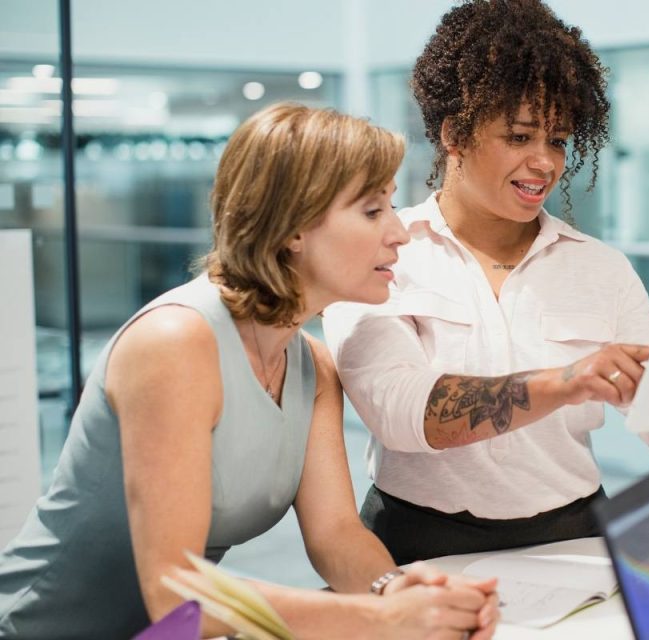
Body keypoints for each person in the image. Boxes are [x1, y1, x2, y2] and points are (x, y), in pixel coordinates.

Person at [323, 0, 649, 564]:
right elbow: (403, 413)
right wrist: (568, 381)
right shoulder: (386, 252)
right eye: (521, 136)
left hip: (574, 539)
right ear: (455, 134)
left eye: (557, 140)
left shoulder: (599, 268)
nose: (545, 162)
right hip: (415, 542)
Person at [0, 103, 497, 639]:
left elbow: (334, 536)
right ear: (293, 228)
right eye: (373, 211)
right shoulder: (175, 344)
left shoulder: (312, 365)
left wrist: (400, 592)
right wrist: (380, 620)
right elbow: (175, 589)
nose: (400, 233)